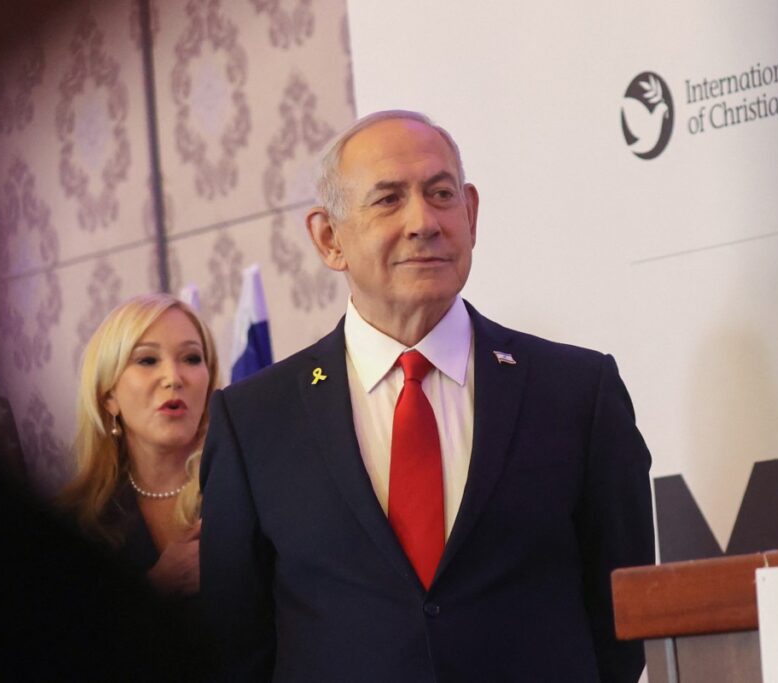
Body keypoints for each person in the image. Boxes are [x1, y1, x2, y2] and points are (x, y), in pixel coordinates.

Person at [200, 110, 655, 682]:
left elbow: (621, 619)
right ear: (329, 238)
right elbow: (236, 646)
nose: (423, 222)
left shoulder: (577, 393)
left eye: (441, 194)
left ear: (471, 213)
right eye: (388, 200)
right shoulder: (254, 421)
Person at [58, 293, 219, 596]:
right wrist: (155, 586)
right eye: (147, 360)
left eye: (191, 358)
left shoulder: (248, 488)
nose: (173, 378)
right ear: (109, 396)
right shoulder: (76, 519)